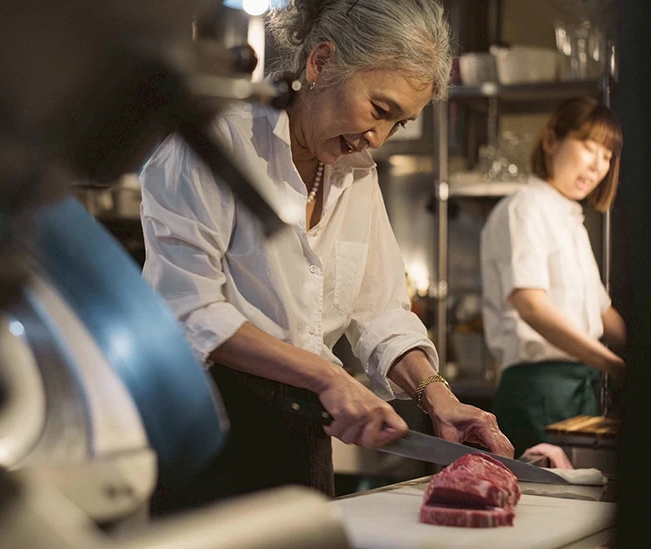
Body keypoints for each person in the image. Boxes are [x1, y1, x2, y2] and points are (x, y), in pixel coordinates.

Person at [140, 0, 513, 513]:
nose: (377, 138)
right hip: (210, 431)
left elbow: (380, 312)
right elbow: (188, 309)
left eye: (398, 124)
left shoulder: (357, 174)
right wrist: (327, 376)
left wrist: (438, 397)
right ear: (320, 62)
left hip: (303, 429)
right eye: (379, 109)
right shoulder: (216, 145)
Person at [481, 96, 626, 458]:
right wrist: (613, 364)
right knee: (544, 492)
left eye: (607, 156)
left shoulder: (571, 219)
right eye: (589, 147)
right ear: (551, 141)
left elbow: (604, 314)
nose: (597, 165)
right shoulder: (526, 208)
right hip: (538, 391)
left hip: (579, 388)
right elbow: (531, 305)